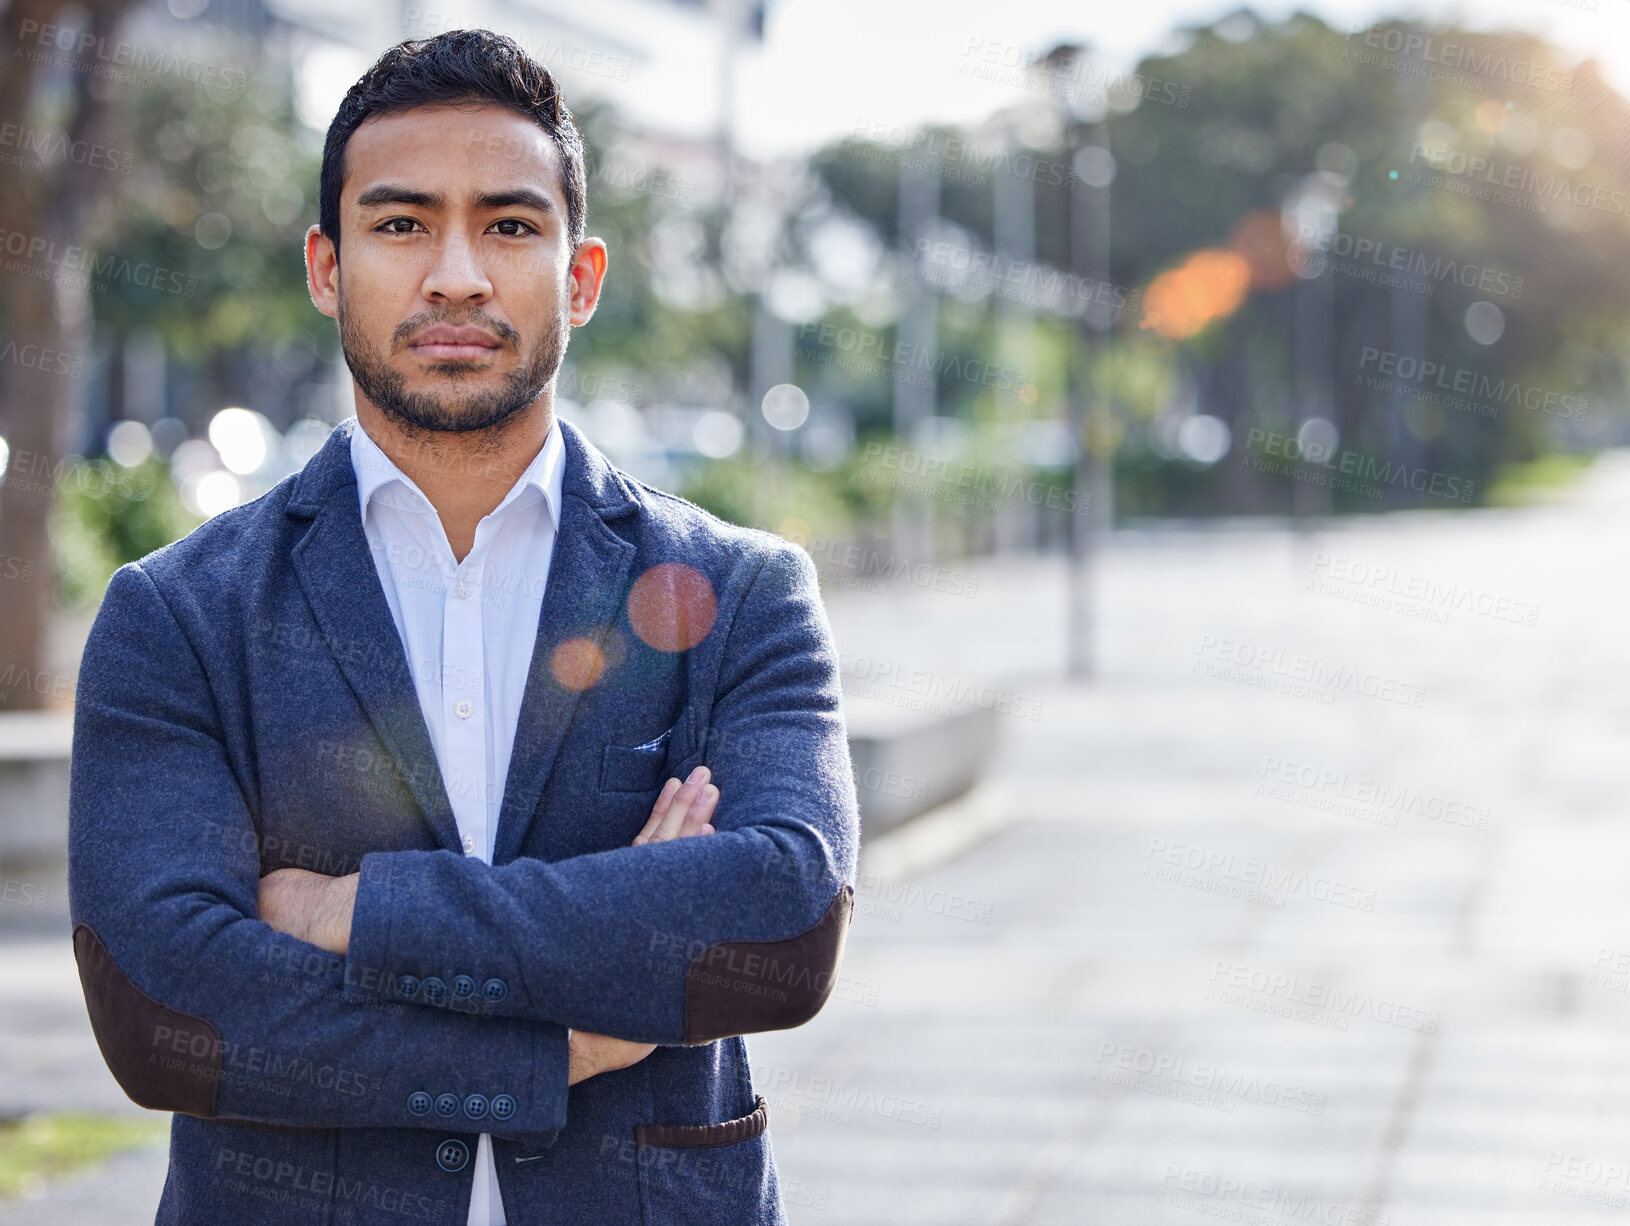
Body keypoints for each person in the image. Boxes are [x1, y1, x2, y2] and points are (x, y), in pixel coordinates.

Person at [67, 28, 857, 1226]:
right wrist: (564, 1037)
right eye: (399, 224)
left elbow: (785, 918)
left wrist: (351, 911)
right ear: (327, 270)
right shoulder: (180, 613)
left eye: (508, 224)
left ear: (579, 276)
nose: (455, 275)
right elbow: (164, 1006)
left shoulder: (738, 592)